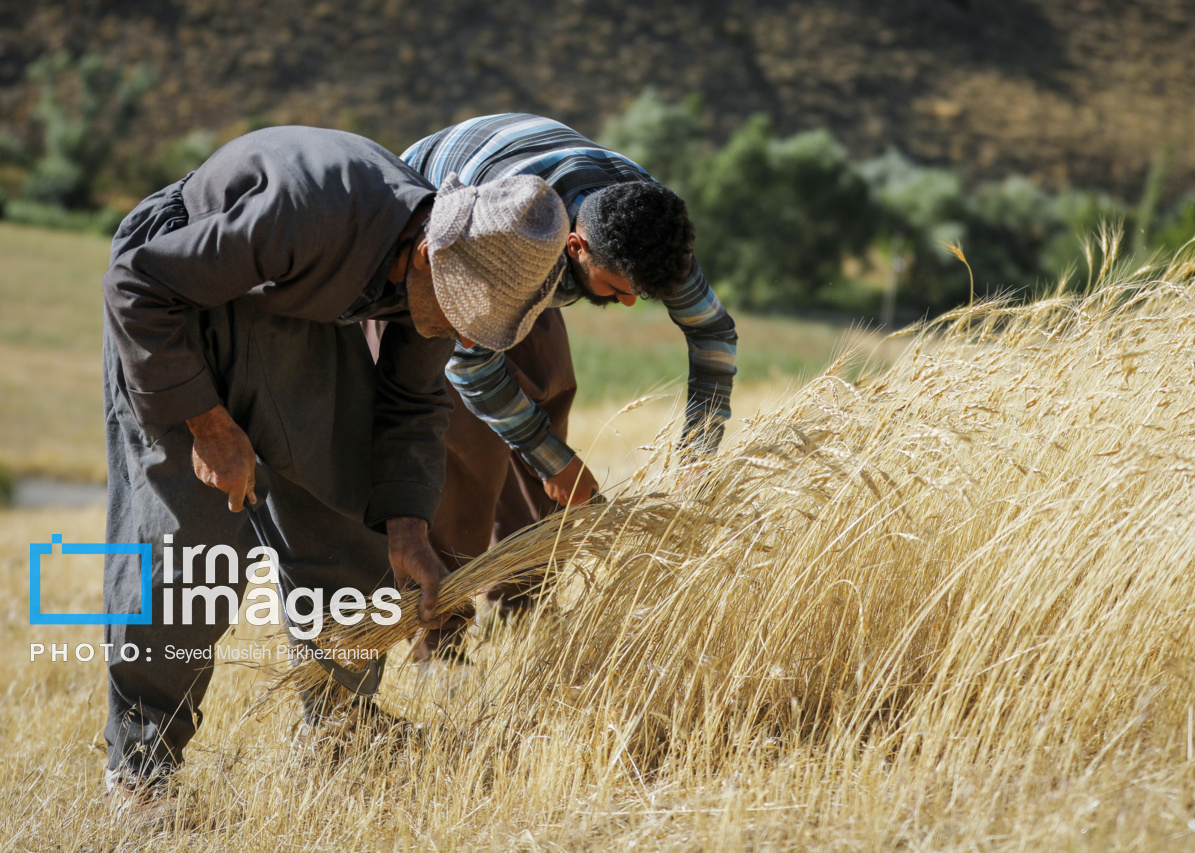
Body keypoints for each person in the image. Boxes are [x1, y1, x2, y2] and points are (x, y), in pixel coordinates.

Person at [99, 125, 569, 821]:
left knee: (354, 531)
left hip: (300, 310)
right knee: (185, 556)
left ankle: (341, 729)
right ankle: (141, 771)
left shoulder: (438, 275)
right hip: (177, 308)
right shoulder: (306, 211)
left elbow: (412, 399)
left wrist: (409, 525)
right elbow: (136, 282)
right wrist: (206, 420)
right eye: (461, 317)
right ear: (423, 256)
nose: (465, 338)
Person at [397, 114, 738, 653]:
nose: (628, 303)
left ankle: (521, 606)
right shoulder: (515, 227)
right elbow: (469, 366)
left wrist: (699, 453)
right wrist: (552, 458)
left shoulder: (648, 223)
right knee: (466, 448)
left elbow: (713, 333)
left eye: (640, 294)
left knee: (549, 391)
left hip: (532, 264)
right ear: (576, 247)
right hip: (440, 258)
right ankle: (442, 640)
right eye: (618, 288)